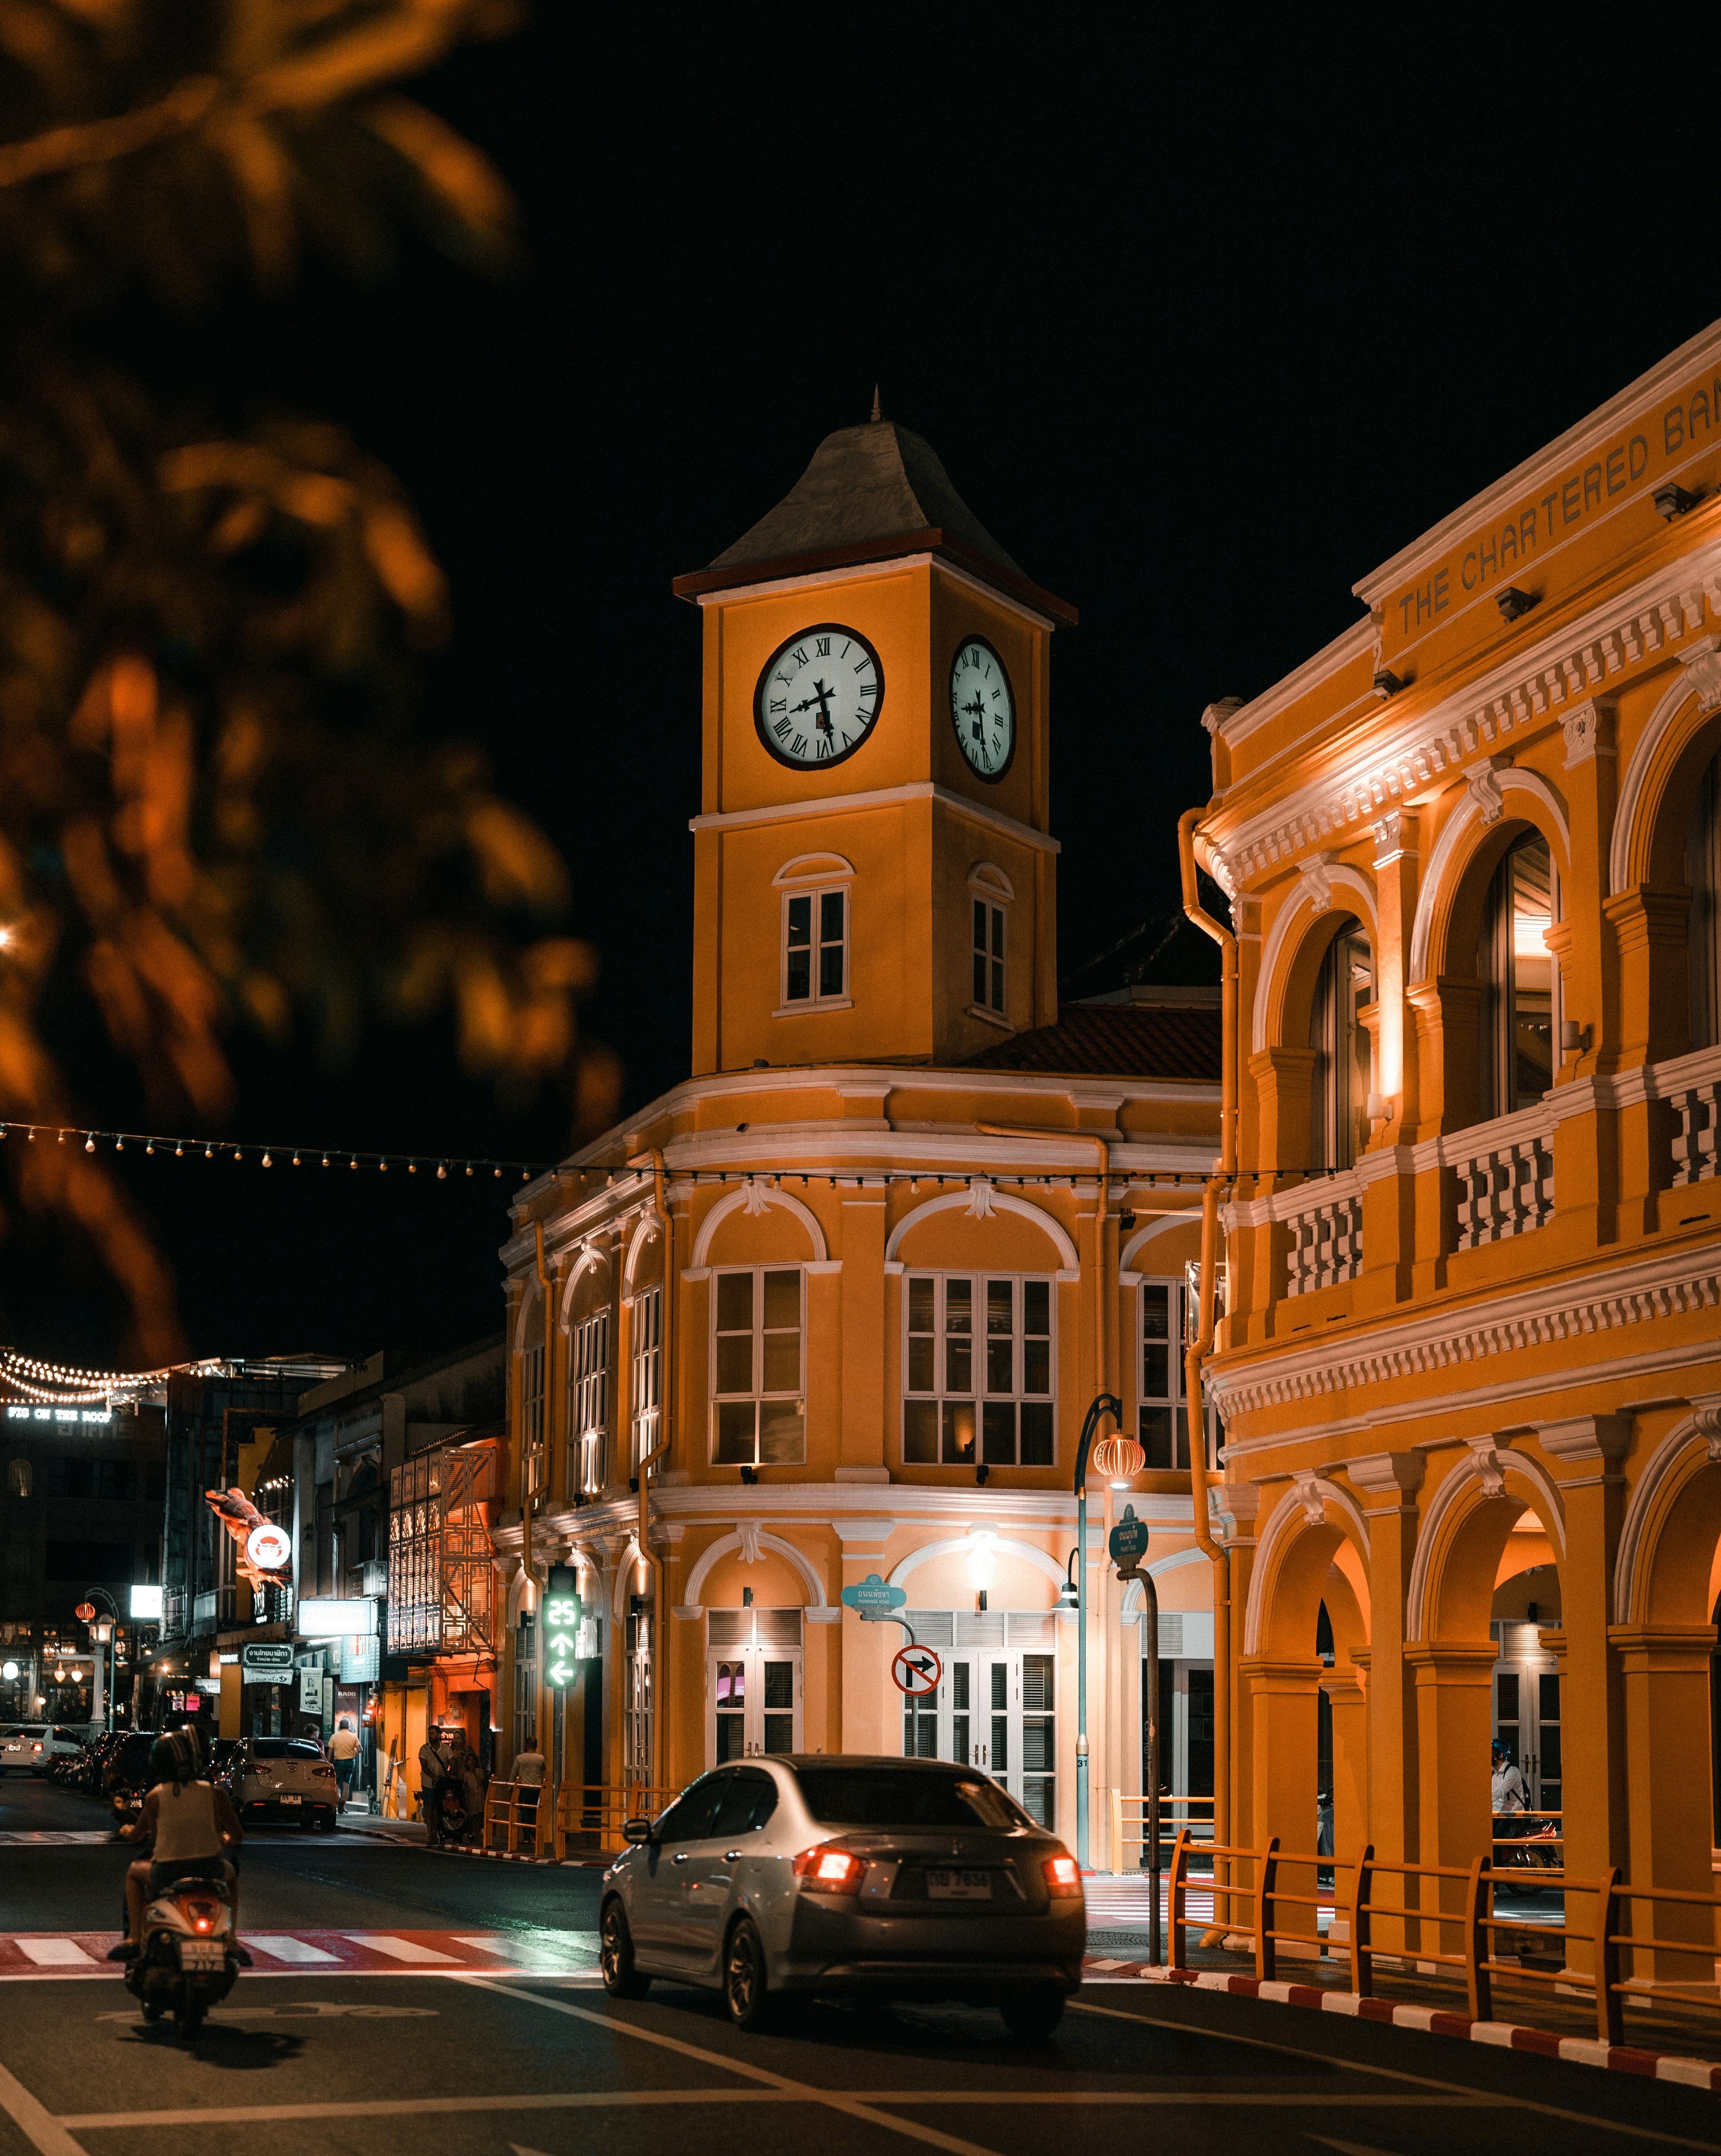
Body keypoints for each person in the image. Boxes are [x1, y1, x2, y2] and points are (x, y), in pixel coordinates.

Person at [106, 1728, 248, 1963]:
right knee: (231, 1879)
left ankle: (134, 1939)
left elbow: (148, 1837)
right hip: (210, 1870)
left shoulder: (155, 1797)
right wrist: (224, 1840)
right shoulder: (215, 1794)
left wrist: (127, 1831)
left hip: (166, 1873)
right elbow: (237, 1835)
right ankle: (231, 1940)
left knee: (134, 1874)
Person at [1491, 1742, 1528, 1851]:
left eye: (1492, 1752)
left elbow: (1501, 1791)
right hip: (1498, 1815)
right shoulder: (1494, 1772)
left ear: (1500, 1755)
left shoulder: (1512, 1771)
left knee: (1497, 1839)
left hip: (1514, 1817)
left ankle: (1498, 1867)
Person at [417, 1733, 447, 1842]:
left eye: (434, 1733)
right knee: (430, 1808)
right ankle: (431, 1834)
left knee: (440, 1808)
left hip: (442, 1783)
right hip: (428, 1784)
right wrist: (433, 1777)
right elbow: (424, 1766)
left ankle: (442, 1831)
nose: (431, 1736)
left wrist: (451, 1774)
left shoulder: (446, 1749)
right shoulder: (424, 1749)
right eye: (430, 1733)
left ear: (439, 1735)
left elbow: (452, 1761)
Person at [328, 1717, 361, 1809]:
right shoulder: (354, 1736)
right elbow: (360, 1750)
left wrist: (328, 1762)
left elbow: (330, 1752)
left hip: (339, 1762)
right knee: (346, 1785)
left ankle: (337, 1800)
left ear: (340, 1726)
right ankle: (342, 1804)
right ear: (348, 1726)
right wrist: (353, 1752)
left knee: (337, 1784)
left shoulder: (334, 1737)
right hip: (350, 1762)